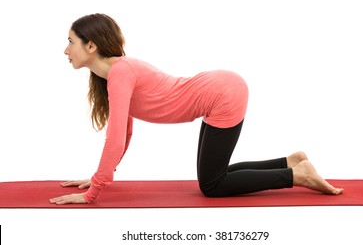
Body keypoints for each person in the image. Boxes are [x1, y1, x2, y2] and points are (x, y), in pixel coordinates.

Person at [50, 13, 343, 205]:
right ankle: (290, 162)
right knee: (215, 175)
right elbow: (123, 131)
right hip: (217, 91)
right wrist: (103, 174)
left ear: (91, 46)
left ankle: (296, 177)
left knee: (212, 185)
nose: (65, 50)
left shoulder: (120, 73)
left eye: (70, 42)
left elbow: (114, 137)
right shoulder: (115, 75)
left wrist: (93, 192)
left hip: (221, 94)